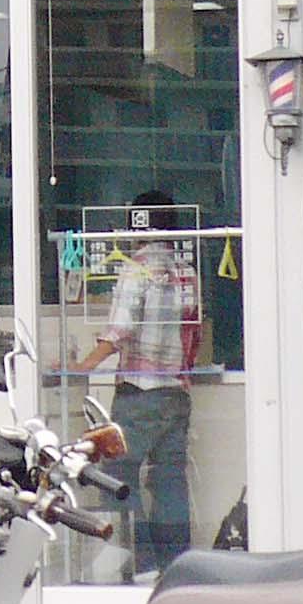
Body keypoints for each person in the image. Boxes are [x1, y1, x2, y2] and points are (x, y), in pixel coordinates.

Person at [70, 190, 200, 578]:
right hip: (176, 391)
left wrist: (83, 366)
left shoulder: (136, 268)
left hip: (139, 392)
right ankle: (177, 567)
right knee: (169, 480)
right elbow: (193, 333)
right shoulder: (187, 272)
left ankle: (139, 564)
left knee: (119, 478)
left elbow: (120, 330)